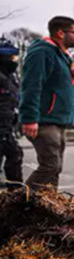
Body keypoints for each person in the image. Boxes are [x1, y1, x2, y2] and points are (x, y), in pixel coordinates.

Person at [19, 16, 74, 189]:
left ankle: (47, 207)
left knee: (55, 168)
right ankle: (19, 203)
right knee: (50, 166)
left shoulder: (63, 56)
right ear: (60, 33)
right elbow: (31, 85)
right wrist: (29, 118)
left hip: (58, 120)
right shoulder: (42, 52)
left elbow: (73, 85)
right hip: (44, 120)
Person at [0, 38, 23, 188]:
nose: (16, 60)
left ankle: (14, 194)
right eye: (13, 57)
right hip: (2, 125)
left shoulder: (11, 77)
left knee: (15, 156)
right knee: (14, 155)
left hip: (7, 125)